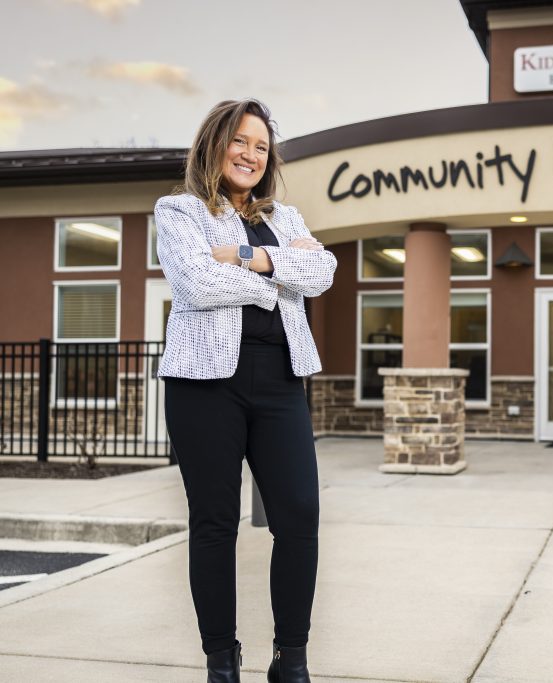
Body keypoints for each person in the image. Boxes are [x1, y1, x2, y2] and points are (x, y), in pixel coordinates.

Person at [155, 98, 336, 683]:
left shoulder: (285, 216)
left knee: (300, 517)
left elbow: (323, 273)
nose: (251, 155)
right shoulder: (180, 211)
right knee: (214, 523)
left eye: (261, 146)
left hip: (280, 381)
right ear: (215, 144)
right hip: (205, 384)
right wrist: (277, 279)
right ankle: (221, 661)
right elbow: (196, 282)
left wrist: (247, 257)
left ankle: (291, 660)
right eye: (240, 141)